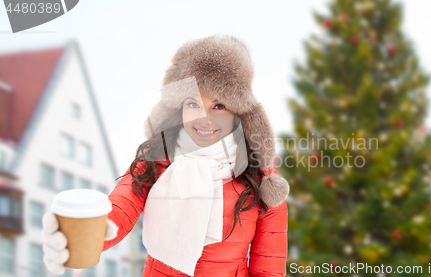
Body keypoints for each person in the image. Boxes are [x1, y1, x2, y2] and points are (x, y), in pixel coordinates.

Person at [42, 35, 290, 277]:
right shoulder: (156, 157)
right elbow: (122, 206)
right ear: (178, 107)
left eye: (218, 105)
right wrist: (84, 235)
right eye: (192, 104)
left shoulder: (261, 176)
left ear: (239, 111)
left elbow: (269, 264)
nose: (203, 118)